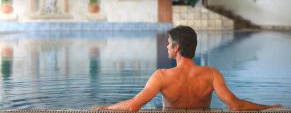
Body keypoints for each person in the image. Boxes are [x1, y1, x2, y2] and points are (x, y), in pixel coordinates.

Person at [92, 25, 281, 111]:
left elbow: (133, 106)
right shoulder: (211, 74)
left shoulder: (161, 76)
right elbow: (236, 105)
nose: (166, 47)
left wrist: (105, 107)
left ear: (177, 48)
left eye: (168, 43)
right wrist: (269, 107)